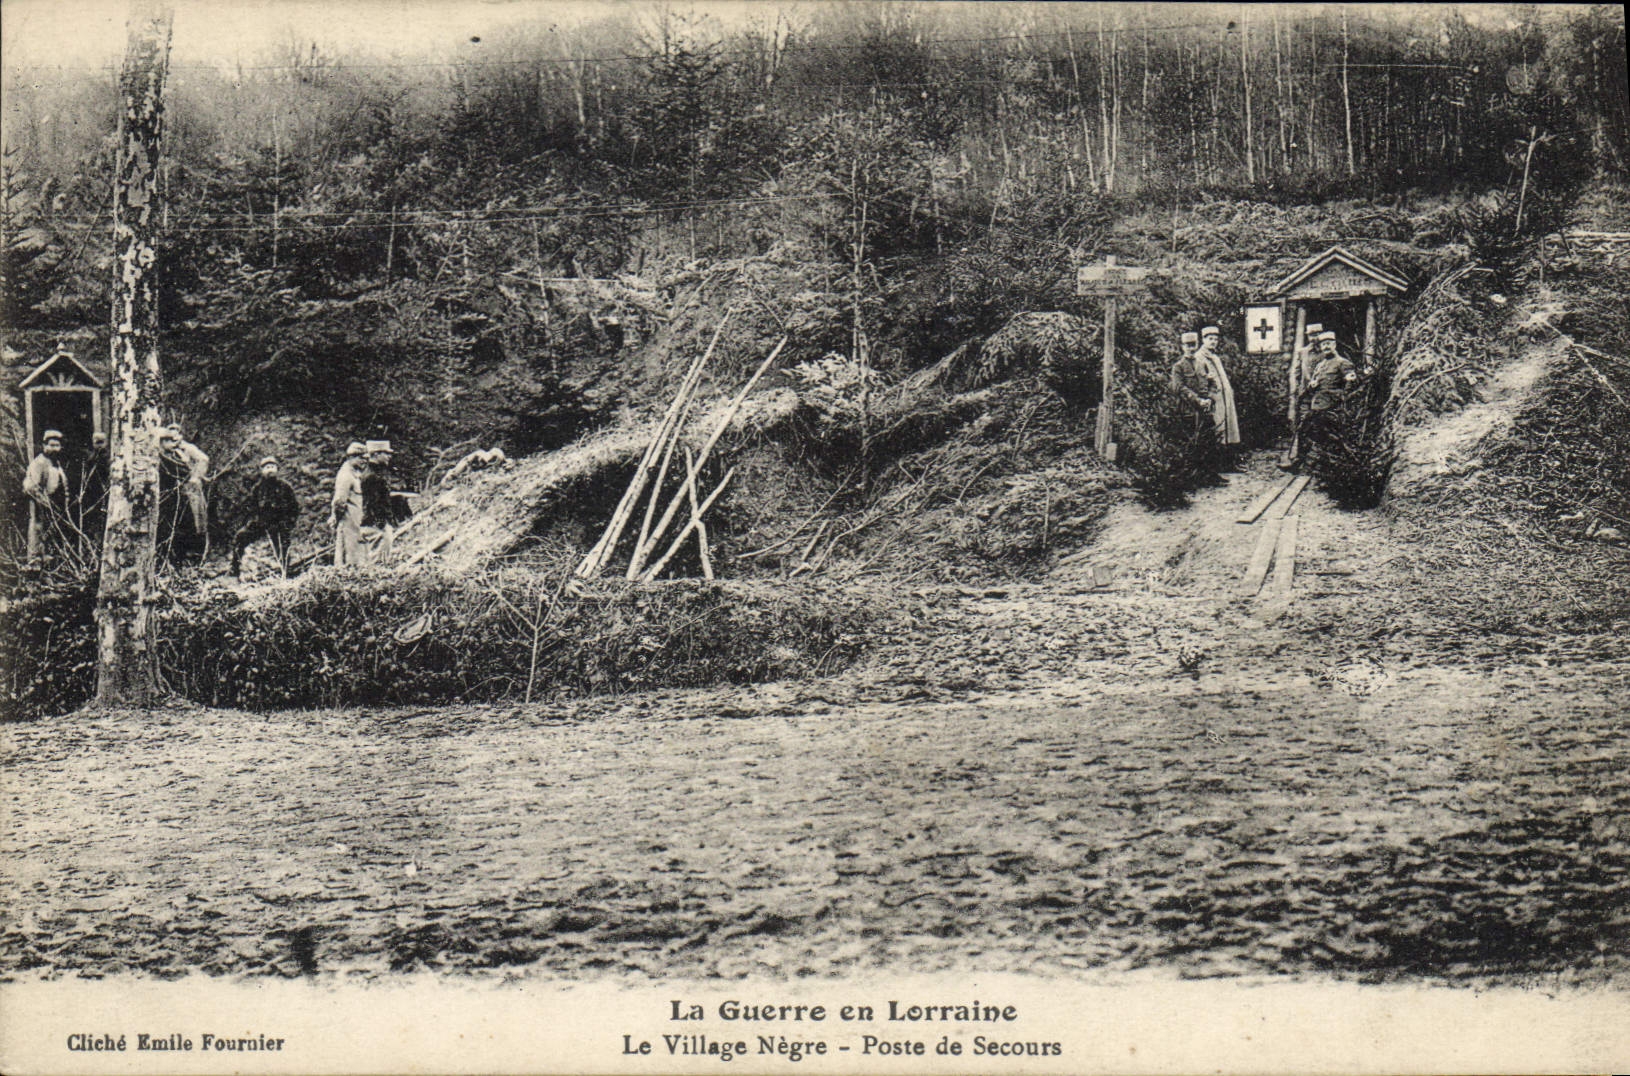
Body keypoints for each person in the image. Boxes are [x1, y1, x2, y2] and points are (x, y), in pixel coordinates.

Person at [1297, 331, 1369, 452]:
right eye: (1323, 344)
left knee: (1327, 437)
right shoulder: (1320, 365)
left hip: (1332, 407)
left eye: (1328, 343)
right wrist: (1312, 386)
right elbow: (1313, 385)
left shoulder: (1342, 362)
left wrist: (1342, 396)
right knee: (1308, 432)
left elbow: (1352, 384)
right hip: (1317, 404)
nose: (1326, 347)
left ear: (1334, 345)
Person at [230, 456, 301, 578]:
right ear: (262, 470)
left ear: (277, 469)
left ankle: (285, 571)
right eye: (267, 467)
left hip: (279, 524)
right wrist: (251, 521)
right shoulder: (258, 488)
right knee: (240, 537)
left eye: (273, 467)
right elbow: (250, 507)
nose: (270, 470)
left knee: (282, 546)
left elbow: (294, 507)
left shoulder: (285, 487)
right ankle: (234, 568)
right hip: (261, 523)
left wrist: (289, 523)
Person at [360, 440, 410, 564]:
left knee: (381, 558)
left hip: (377, 523)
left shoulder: (376, 473)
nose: (389, 456)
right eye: (386, 453)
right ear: (376, 454)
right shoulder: (371, 476)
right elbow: (374, 503)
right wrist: (383, 524)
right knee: (378, 560)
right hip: (376, 524)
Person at [1192, 325, 1241, 452]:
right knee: (1217, 428)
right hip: (1213, 398)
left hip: (1224, 397)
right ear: (1203, 340)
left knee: (1228, 427)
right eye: (1210, 339)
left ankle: (1229, 456)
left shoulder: (1215, 357)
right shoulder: (1199, 357)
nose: (1213, 342)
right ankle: (1219, 457)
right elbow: (1197, 380)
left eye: (1215, 339)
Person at [22, 429, 68, 563]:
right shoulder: (39, 463)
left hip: (54, 504)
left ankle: (48, 560)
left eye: (57, 445)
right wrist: (43, 501)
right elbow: (30, 486)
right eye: (51, 445)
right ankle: (35, 560)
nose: (54, 449)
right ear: (44, 446)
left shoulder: (56, 463)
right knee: (37, 529)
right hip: (40, 504)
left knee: (50, 532)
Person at [330, 443, 369, 567]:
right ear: (351, 457)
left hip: (357, 522)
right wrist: (337, 518)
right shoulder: (345, 475)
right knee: (349, 556)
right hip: (348, 522)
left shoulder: (356, 473)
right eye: (361, 458)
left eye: (366, 458)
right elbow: (339, 501)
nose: (364, 461)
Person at [78, 431, 109, 547]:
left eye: (102, 442)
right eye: (97, 443)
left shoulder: (109, 459)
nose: (100, 446)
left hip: (105, 494)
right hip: (93, 495)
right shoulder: (90, 459)